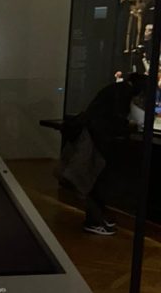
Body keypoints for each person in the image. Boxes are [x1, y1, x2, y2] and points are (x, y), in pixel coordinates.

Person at [57, 73, 147, 235]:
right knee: (91, 181)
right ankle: (94, 221)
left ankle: (98, 218)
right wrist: (128, 127)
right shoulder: (123, 94)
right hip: (96, 139)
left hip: (92, 136)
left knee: (91, 181)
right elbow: (114, 120)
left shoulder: (116, 89)